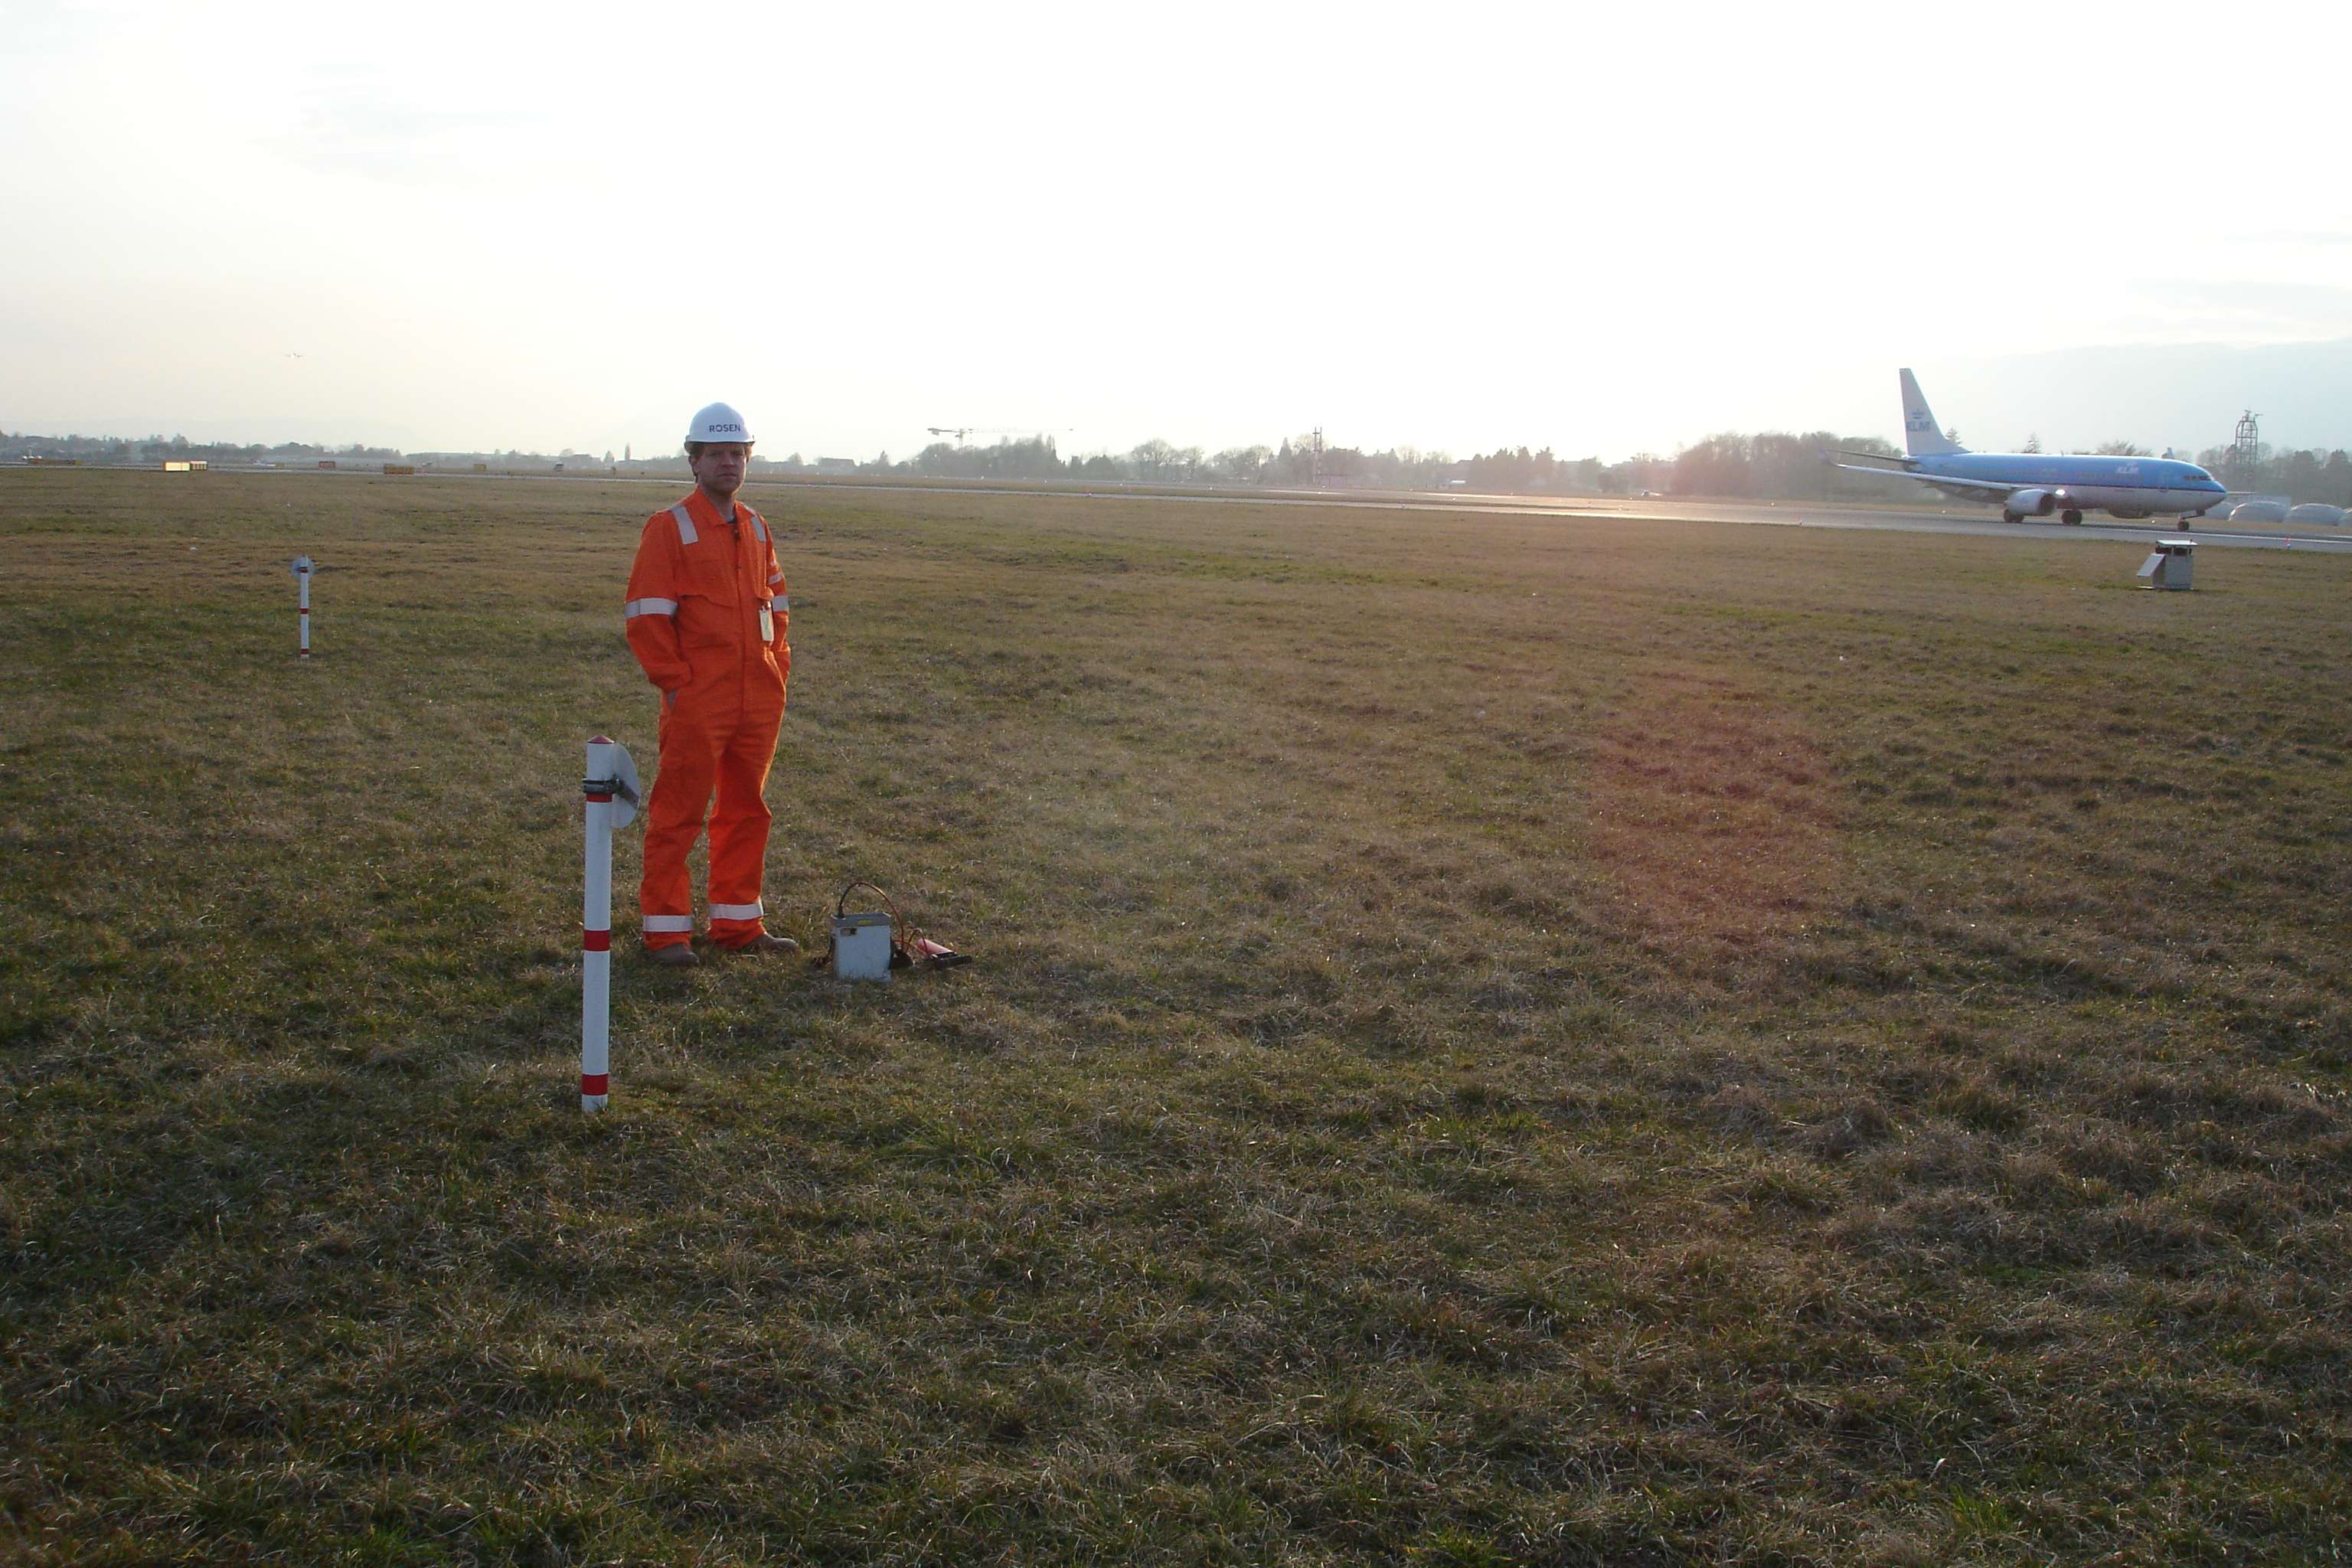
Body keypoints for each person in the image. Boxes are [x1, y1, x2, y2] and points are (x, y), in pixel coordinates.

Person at [621, 402, 799, 968]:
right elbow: (647, 616)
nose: (729, 463)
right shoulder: (668, 528)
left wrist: (777, 668)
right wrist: (675, 685)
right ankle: (666, 934)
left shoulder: (757, 527)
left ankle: (739, 924)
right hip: (700, 698)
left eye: (738, 453)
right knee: (679, 811)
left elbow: (779, 608)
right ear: (693, 461)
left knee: (748, 810)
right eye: (716, 454)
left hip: (757, 696)